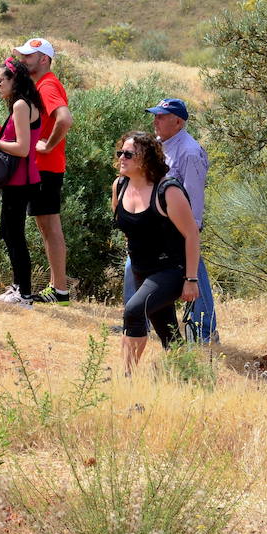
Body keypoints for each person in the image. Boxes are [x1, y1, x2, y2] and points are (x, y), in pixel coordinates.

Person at [122, 98, 218, 344]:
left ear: (178, 122)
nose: (156, 121)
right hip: (156, 229)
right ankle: (135, 322)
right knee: (134, 266)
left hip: (177, 228)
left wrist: (190, 230)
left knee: (194, 272)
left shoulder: (190, 152)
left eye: (161, 117)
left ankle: (205, 331)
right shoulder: (159, 145)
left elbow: (193, 195)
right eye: (155, 116)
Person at [112, 131, 201, 375]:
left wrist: (191, 280)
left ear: (146, 159)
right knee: (167, 331)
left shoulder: (168, 190)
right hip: (143, 269)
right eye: (121, 153)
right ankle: (187, 376)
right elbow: (130, 230)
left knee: (133, 311)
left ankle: (126, 377)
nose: (122, 158)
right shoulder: (119, 186)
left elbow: (192, 235)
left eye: (129, 154)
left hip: (172, 270)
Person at [0, 59, 42, 307]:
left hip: (20, 181)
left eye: (1, 80)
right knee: (9, 233)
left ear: (14, 80)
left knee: (15, 236)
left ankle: (24, 294)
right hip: (20, 179)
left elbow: (22, 149)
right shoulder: (23, 103)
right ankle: (18, 287)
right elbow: (20, 137)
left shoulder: (21, 105)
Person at [14, 38, 73, 305]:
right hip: (44, 167)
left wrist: (48, 146)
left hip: (45, 168)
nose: (24, 60)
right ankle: (57, 288)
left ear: (44, 60)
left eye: (30, 56)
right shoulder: (42, 84)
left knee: (50, 227)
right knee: (46, 226)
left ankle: (59, 290)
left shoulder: (48, 84)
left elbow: (65, 118)